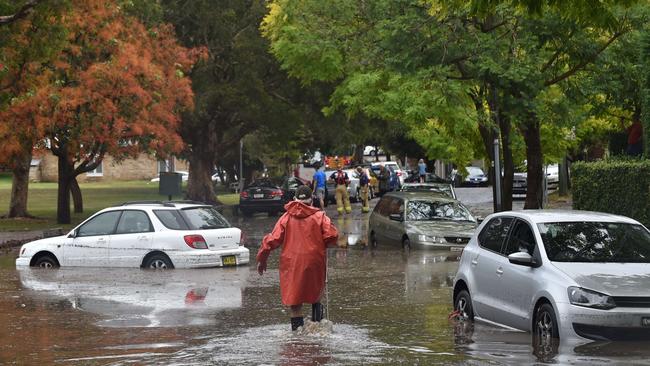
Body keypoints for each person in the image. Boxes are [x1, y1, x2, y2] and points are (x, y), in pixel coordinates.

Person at [257, 185, 339, 331]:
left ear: (294, 200)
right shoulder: (320, 217)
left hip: (292, 263)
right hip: (315, 260)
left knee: (295, 302)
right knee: (316, 294)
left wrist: (262, 260)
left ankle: (297, 338)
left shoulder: (286, 218)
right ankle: (317, 331)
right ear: (311, 200)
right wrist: (325, 243)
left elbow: (271, 241)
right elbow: (332, 235)